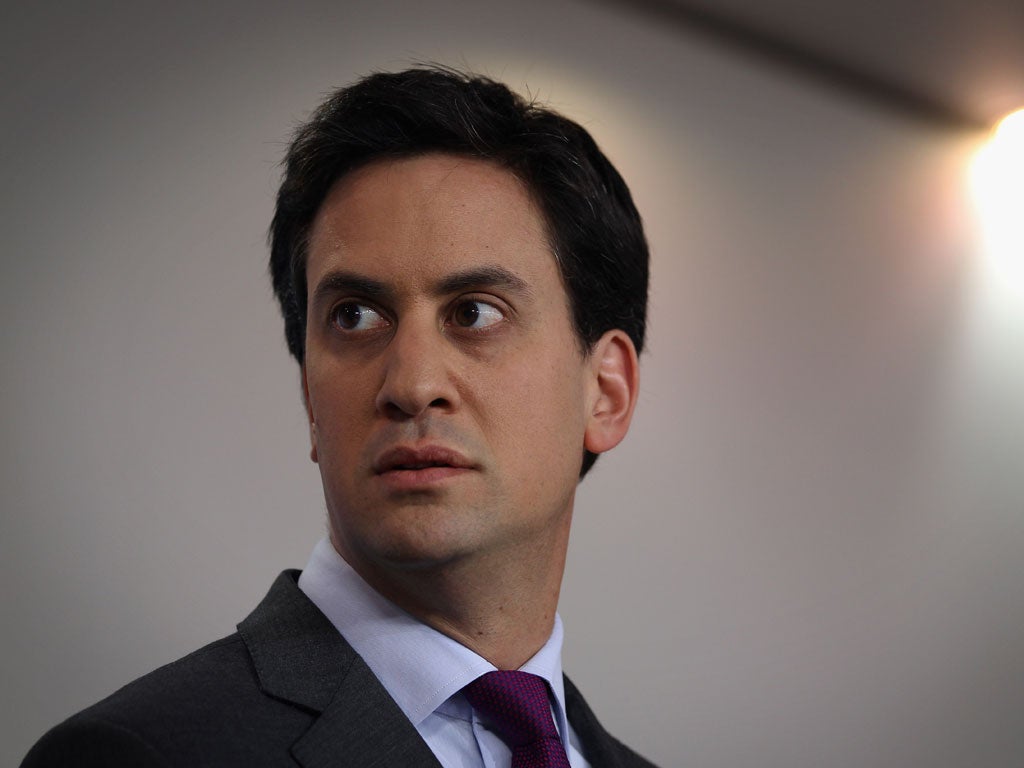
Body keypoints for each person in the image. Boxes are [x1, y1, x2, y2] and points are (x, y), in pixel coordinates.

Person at [22, 66, 655, 768]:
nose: (411, 384)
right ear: (309, 400)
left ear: (607, 391)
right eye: (354, 317)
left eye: (474, 312)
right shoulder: (136, 754)